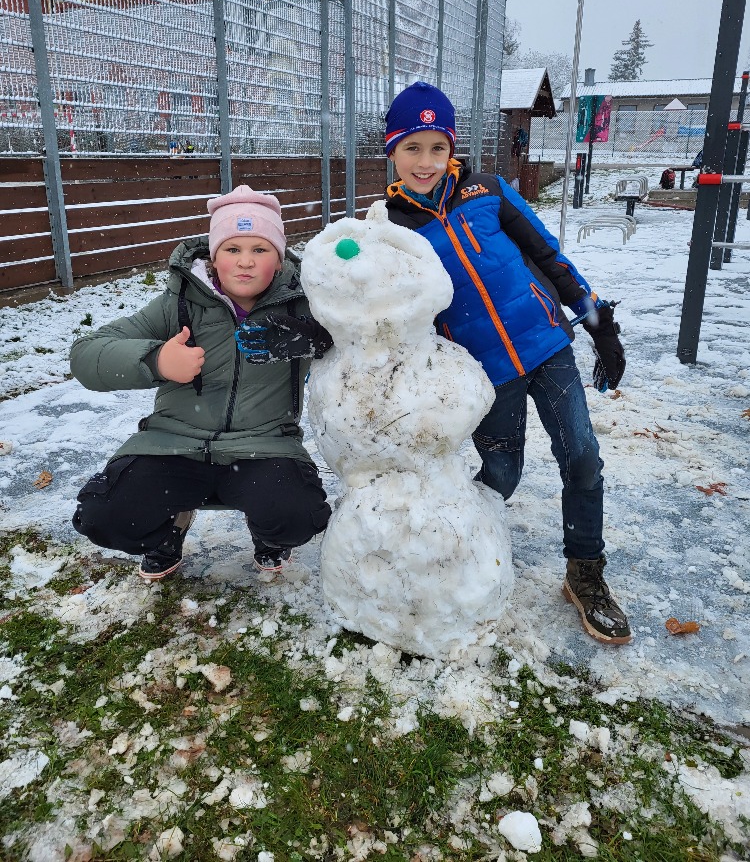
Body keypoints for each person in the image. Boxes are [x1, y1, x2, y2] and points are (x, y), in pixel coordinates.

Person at [383, 81, 630, 645]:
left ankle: (585, 575)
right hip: (484, 372)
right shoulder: (391, 229)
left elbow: (547, 254)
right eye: (412, 148)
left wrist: (598, 322)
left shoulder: (489, 191)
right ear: (392, 152)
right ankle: (455, 555)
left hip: (547, 348)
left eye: (437, 148)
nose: (425, 161)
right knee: (500, 476)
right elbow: (385, 309)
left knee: (583, 458)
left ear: (452, 149)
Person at [70, 186, 332, 579]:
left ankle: (268, 533)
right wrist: (157, 360)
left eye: (260, 249)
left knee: (299, 516)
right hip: (172, 444)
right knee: (104, 516)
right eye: (232, 248)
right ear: (213, 257)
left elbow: (370, 337)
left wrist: (318, 338)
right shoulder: (178, 304)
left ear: (279, 261)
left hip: (263, 446)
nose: (245, 261)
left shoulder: (304, 304)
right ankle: (168, 531)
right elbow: (86, 353)